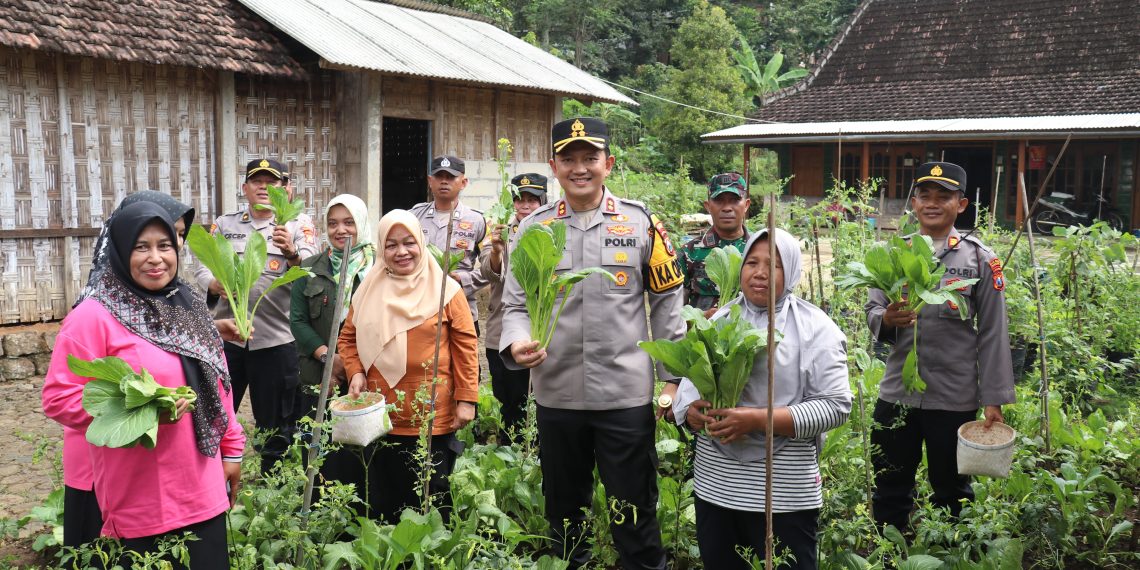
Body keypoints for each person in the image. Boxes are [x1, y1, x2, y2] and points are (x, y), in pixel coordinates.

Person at [500, 117, 686, 570]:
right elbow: (515, 305)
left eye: (590, 158)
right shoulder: (534, 230)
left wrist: (673, 379)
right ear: (554, 165)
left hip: (624, 396)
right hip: (558, 394)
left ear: (609, 163)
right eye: (569, 159)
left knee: (634, 509)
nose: (579, 168)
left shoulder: (641, 224)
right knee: (564, 512)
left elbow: (666, 303)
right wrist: (518, 342)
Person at [42, 202, 243, 568]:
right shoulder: (93, 316)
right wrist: (143, 412)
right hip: (139, 497)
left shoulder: (190, 305)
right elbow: (58, 397)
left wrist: (232, 447)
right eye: (141, 246)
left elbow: (218, 382)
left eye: (165, 245)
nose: (156, 258)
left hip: (202, 487)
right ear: (120, 249)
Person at [674, 228, 852, 570]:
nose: (759, 272)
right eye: (751, 262)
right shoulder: (719, 321)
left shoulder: (817, 328)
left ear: (793, 271)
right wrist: (693, 414)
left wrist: (756, 419)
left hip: (783, 493)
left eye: (774, 264)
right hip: (717, 487)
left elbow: (835, 406)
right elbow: (688, 393)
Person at [865, 161, 1015, 532]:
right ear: (913, 203)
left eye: (943, 197)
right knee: (889, 486)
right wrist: (887, 320)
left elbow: (994, 331)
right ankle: (891, 554)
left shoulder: (981, 258)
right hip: (897, 392)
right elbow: (872, 309)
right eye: (925, 196)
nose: (932, 203)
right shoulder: (892, 253)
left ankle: (950, 555)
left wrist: (993, 398)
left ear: (961, 205)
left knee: (951, 489)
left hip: (954, 398)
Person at [337, 210, 478, 523]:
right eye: (391, 245)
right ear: (381, 249)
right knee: (384, 496)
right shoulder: (367, 290)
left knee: (430, 495)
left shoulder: (447, 290)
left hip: (431, 412)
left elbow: (466, 346)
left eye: (409, 243)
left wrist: (466, 399)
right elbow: (347, 339)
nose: (401, 252)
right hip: (379, 412)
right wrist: (355, 371)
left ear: (422, 243)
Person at [194, 158, 319, 473]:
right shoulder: (225, 224)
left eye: (271, 181)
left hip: (275, 339)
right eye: (257, 181)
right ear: (245, 188)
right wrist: (213, 282)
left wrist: (291, 253)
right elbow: (202, 265)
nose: (264, 187)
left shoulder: (297, 225)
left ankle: (271, 481)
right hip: (228, 338)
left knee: (275, 420)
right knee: (216, 411)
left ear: (284, 189)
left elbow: (311, 271)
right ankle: (212, 475)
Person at [290, 194, 375, 411]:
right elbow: (298, 322)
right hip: (318, 374)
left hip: (369, 373)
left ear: (362, 223)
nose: (340, 230)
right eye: (333, 223)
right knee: (317, 436)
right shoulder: (308, 267)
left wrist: (350, 363)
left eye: (349, 222)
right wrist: (329, 358)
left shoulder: (379, 268)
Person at [479, 173, 547, 443]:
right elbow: (489, 273)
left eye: (533, 200)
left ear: (543, 201)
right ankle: (512, 453)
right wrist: (497, 250)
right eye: (520, 200)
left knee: (543, 403)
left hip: (543, 329)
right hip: (502, 332)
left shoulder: (552, 230)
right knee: (510, 402)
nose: (526, 206)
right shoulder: (499, 230)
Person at [410, 155, 489, 327]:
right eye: (439, 176)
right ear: (430, 181)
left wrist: (464, 279)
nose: (444, 181)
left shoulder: (477, 221)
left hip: (462, 308)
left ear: (463, 182)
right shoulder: (414, 216)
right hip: (420, 309)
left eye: (451, 177)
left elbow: (492, 269)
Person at [679, 172, 752, 313]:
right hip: (703, 334)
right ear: (708, 206)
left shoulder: (758, 250)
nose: (727, 208)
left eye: (734, 200)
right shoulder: (690, 253)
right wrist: (701, 320)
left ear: (746, 204)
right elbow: (675, 312)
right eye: (719, 201)